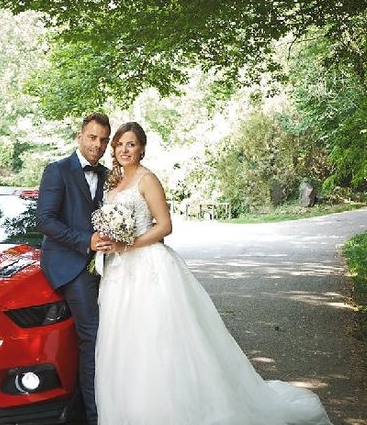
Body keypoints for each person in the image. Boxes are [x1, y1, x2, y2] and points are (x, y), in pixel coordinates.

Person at [94, 122, 333, 425]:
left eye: (131, 144)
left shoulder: (147, 179)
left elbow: (165, 225)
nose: (124, 150)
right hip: (118, 273)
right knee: (124, 344)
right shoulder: (113, 184)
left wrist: (129, 245)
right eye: (119, 144)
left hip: (148, 267)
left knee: (157, 340)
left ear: (142, 147)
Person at [37, 112, 113, 425]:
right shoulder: (57, 171)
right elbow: (45, 221)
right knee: (93, 336)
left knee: (119, 333)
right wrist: (87, 241)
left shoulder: (110, 175)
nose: (98, 145)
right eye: (93, 137)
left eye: (104, 140)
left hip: (107, 265)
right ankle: (95, 416)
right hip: (71, 264)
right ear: (79, 137)